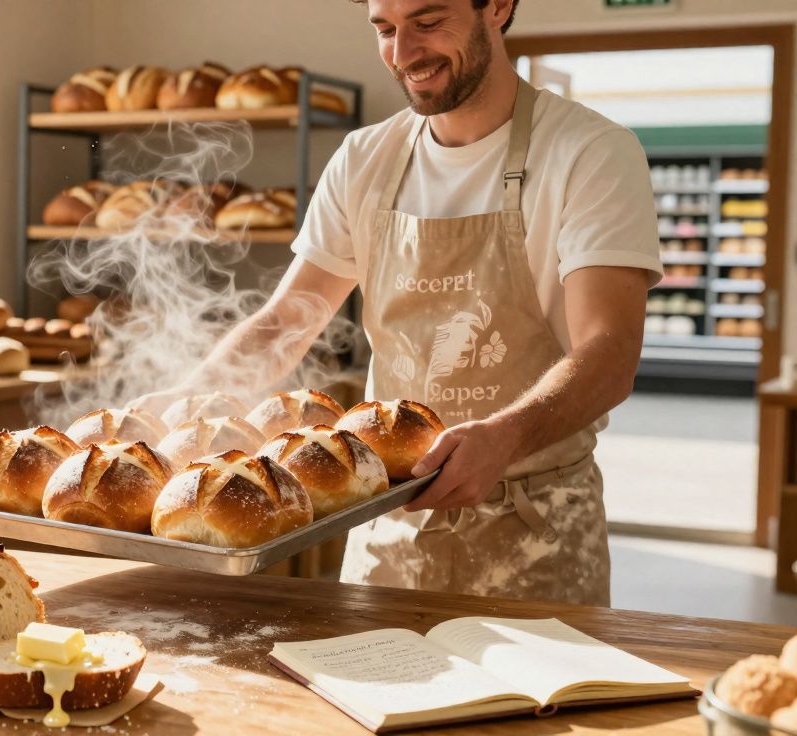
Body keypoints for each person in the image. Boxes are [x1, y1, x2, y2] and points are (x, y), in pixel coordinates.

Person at [144, 0, 662, 606]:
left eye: (428, 21)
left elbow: (610, 350)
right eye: (385, 29)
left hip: (535, 527)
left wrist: (503, 437)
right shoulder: (365, 160)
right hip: (390, 525)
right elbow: (290, 318)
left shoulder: (590, 152)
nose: (403, 53)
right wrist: (190, 406)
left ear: (497, 7)